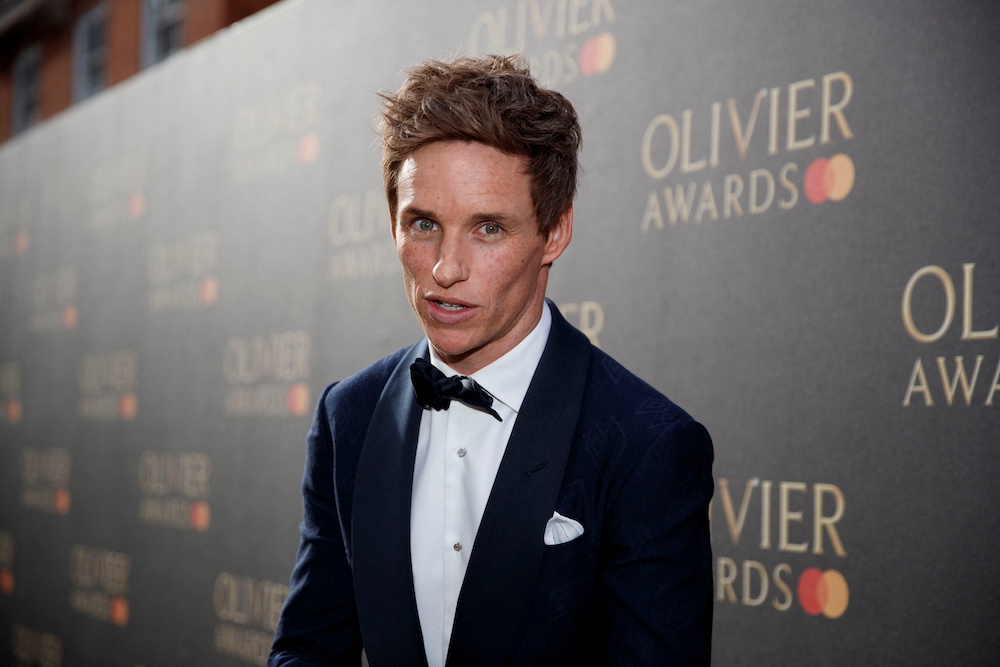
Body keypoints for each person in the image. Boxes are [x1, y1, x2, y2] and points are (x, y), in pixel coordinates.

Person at [268, 54, 714, 667]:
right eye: (423, 224)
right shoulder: (349, 415)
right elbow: (309, 647)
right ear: (393, 224)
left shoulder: (646, 445)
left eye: (489, 229)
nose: (445, 269)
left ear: (554, 233)